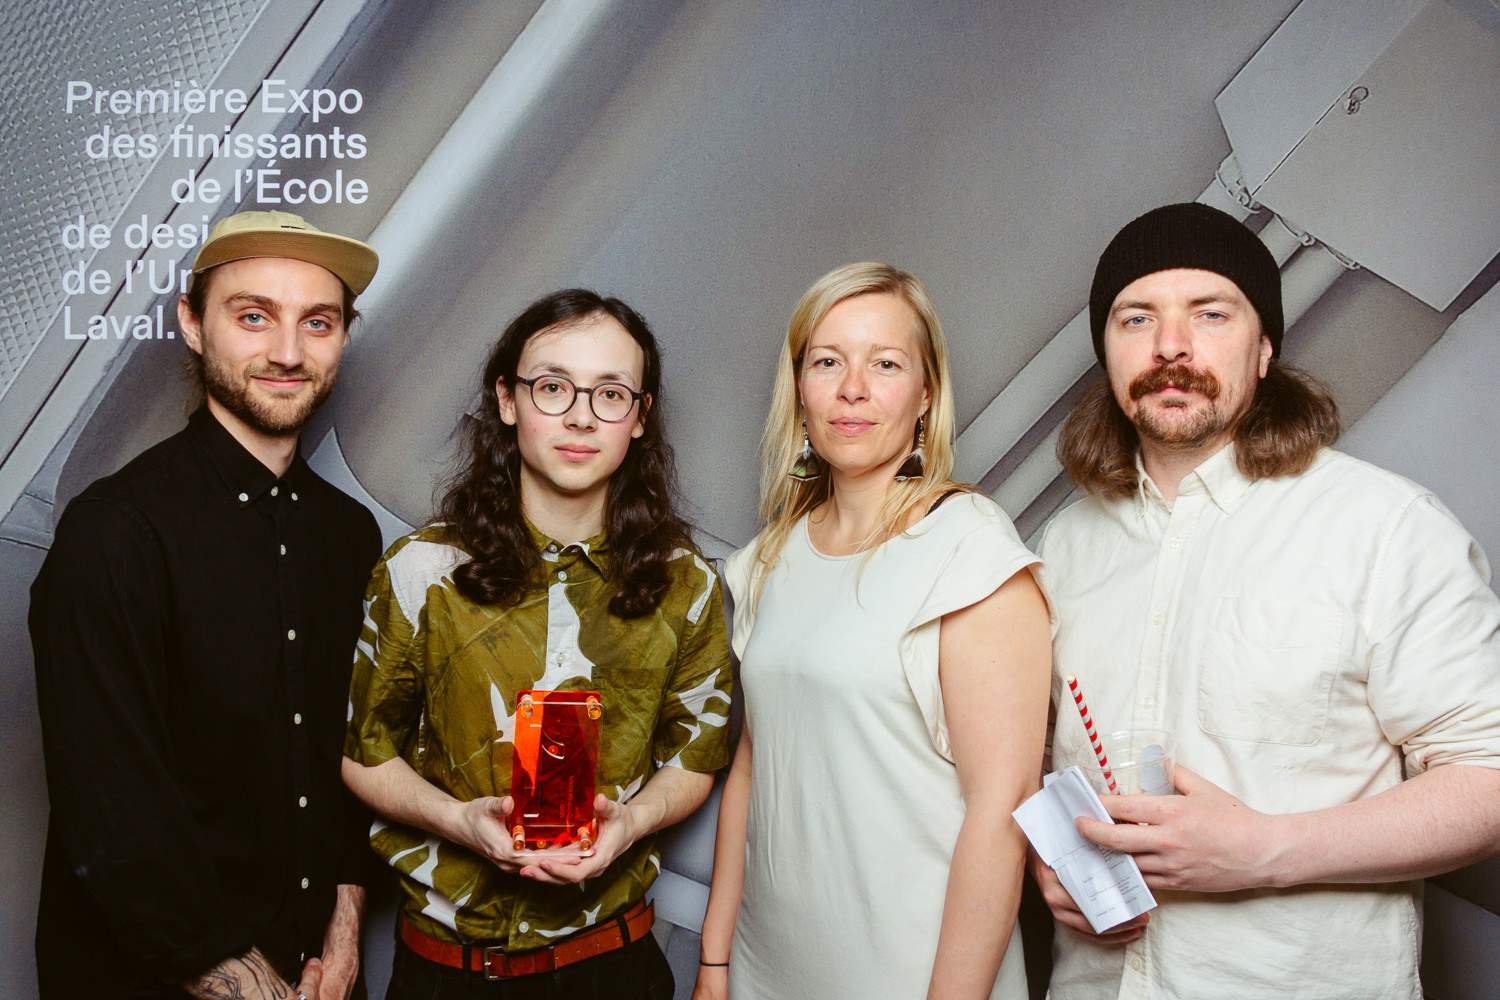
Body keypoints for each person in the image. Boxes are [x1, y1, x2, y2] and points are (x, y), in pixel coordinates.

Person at [1033, 201, 1500, 999]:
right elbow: (1040, 760)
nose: (1170, 344)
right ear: (1107, 351)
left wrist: (1265, 851)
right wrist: (1048, 859)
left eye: (1210, 313)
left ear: (1264, 350)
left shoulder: (1386, 528)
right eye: (1136, 317)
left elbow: (1488, 776)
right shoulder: (1062, 546)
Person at [30, 210, 383, 999]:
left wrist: (345, 933)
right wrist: (252, 987)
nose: (287, 351)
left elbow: (356, 753)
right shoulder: (114, 530)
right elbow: (112, 802)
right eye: (253, 316)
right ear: (192, 325)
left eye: (317, 322)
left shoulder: (349, 534)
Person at [341, 289, 732, 999]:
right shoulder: (421, 572)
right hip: (447, 973)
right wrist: (458, 821)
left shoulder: (685, 585)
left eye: (610, 393)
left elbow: (694, 758)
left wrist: (632, 823)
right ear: (507, 399)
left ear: (640, 417)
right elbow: (365, 756)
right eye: (553, 387)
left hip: (611, 965)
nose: (581, 416)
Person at [694, 263, 1053, 1000]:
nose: (852, 388)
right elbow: (753, 770)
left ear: (926, 395)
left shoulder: (969, 548)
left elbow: (1004, 810)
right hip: (767, 970)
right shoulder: (769, 558)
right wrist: (715, 960)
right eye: (828, 362)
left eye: (885, 364)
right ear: (801, 389)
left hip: (914, 975)